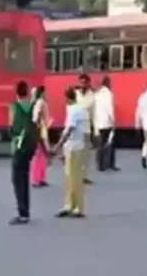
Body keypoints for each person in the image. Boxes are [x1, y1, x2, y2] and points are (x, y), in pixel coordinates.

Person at [53, 87, 87, 218]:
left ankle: (73, 206)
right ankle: (73, 205)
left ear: (67, 98)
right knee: (73, 177)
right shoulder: (78, 109)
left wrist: (58, 145)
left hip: (73, 147)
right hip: (76, 146)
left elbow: (69, 130)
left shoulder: (73, 110)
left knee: (72, 178)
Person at [8, 80, 37, 225]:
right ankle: (27, 210)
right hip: (30, 147)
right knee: (25, 178)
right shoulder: (31, 107)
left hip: (18, 147)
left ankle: (22, 212)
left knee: (17, 179)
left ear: (16, 92)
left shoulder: (14, 107)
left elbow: (12, 127)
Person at [94, 76, 118, 172]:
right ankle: (110, 164)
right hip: (107, 122)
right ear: (108, 84)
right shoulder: (109, 94)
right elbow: (109, 109)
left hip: (98, 123)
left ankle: (100, 165)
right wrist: (113, 120)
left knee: (100, 145)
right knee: (110, 143)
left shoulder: (97, 94)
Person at [75, 74, 96, 184]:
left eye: (84, 82)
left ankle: (84, 175)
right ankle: (77, 174)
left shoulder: (91, 96)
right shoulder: (75, 94)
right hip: (76, 128)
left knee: (86, 153)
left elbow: (90, 111)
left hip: (86, 128)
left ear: (88, 83)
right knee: (76, 152)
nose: (82, 85)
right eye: (80, 82)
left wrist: (95, 129)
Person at [30, 86, 52, 188]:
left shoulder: (42, 101)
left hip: (43, 127)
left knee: (42, 155)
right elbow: (36, 116)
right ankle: (35, 180)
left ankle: (41, 178)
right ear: (42, 92)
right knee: (39, 155)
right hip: (40, 129)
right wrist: (39, 124)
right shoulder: (39, 102)